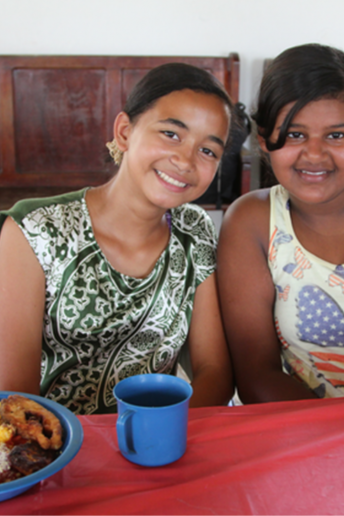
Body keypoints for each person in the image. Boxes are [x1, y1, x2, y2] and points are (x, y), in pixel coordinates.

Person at [0, 63, 234, 414]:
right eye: (171, 134)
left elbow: (214, 369)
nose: (185, 160)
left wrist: (163, 431)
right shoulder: (35, 231)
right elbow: (15, 397)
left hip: (161, 433)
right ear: (124, 132)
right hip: (55, 438)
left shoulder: (194, 230)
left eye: (208, 151)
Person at [217, 43, 344, 403]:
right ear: (264, 139)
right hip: (304, 426)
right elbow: (256, 376)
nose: (314, 154)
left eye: (336, 135)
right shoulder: (252, 222)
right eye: (295, 134)